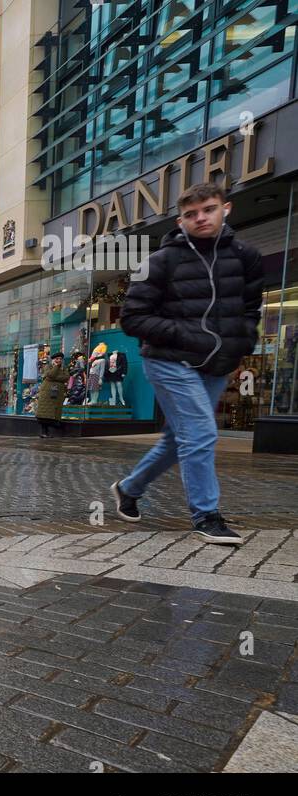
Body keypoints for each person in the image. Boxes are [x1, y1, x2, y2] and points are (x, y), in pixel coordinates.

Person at [112, 182, 263, 546]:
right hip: (168, 360)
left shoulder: (245, 256)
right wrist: (186, 334)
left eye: (208, 209)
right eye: (191, 214)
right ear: (180, 221)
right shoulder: (160, 262)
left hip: (215, 364)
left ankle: (130, 489)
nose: (201, 218)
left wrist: (239, 343)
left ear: (225, 209)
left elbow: (250, 309)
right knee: (201, 433)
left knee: (177, 440)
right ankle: (206, 516)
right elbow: (132, 319)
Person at [35, 353, 68, 438]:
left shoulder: (64, 368)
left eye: (60, 359)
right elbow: (50, 375)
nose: (59, 360)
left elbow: (66, 377)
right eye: (57, 359)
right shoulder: (48, 366)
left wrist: (54, 378)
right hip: (47, 392)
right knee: (45, 412)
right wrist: (56, 367)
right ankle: (44, 432)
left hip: (58, 393)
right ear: (53, 360)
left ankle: (48, 432)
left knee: (53, 411)